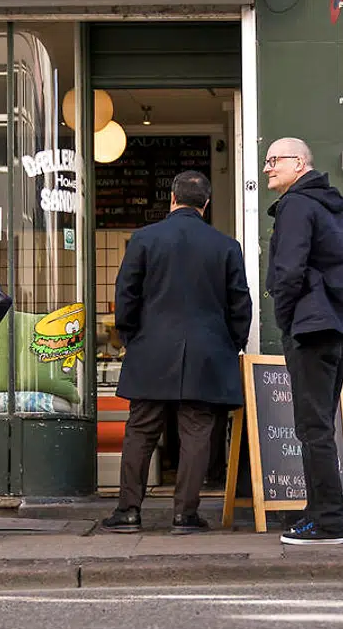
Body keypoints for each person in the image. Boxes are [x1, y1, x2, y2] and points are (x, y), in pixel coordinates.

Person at [103, 170, 252, 535]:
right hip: (207, 352)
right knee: (197, 432)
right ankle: (185, 515)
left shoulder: (143, 239)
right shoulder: (226, 246)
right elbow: (240, 305)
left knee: (140, 431)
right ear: (206, 203)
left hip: (151, 348)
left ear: (172, 198)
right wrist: (230, 343)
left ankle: (128, 511)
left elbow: (126, 296)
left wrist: (130, 336)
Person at [264, 138, 343, 545]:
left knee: (312, 426)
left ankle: (329, 521)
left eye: (274, 160)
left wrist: (285, 318)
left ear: (299, 163)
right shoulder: (331, 207)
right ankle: (317, 510)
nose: (267, 167)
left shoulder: (297, 205)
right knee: (320, 423)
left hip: (311, 327)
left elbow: (288, 271)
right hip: (337, 326)